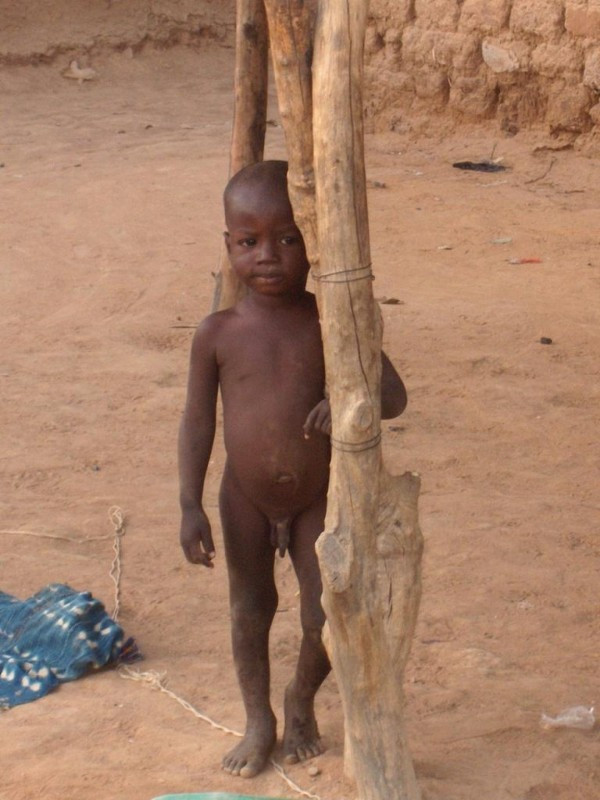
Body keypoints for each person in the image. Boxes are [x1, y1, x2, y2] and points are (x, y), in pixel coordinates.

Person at [178, 160, 407, 778]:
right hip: (244, 498)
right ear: (228, 244)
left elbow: (393, 397)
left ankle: (300, 698)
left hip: (316, 498)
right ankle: (259, 719)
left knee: (323, 611)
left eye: (287, 238)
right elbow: (197, 422)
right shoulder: (217, 333)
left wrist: (351, 397)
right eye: (248, 241)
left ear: (313, 242)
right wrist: (189, 504)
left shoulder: (332, 322)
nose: (268, 256)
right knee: (249, 608)